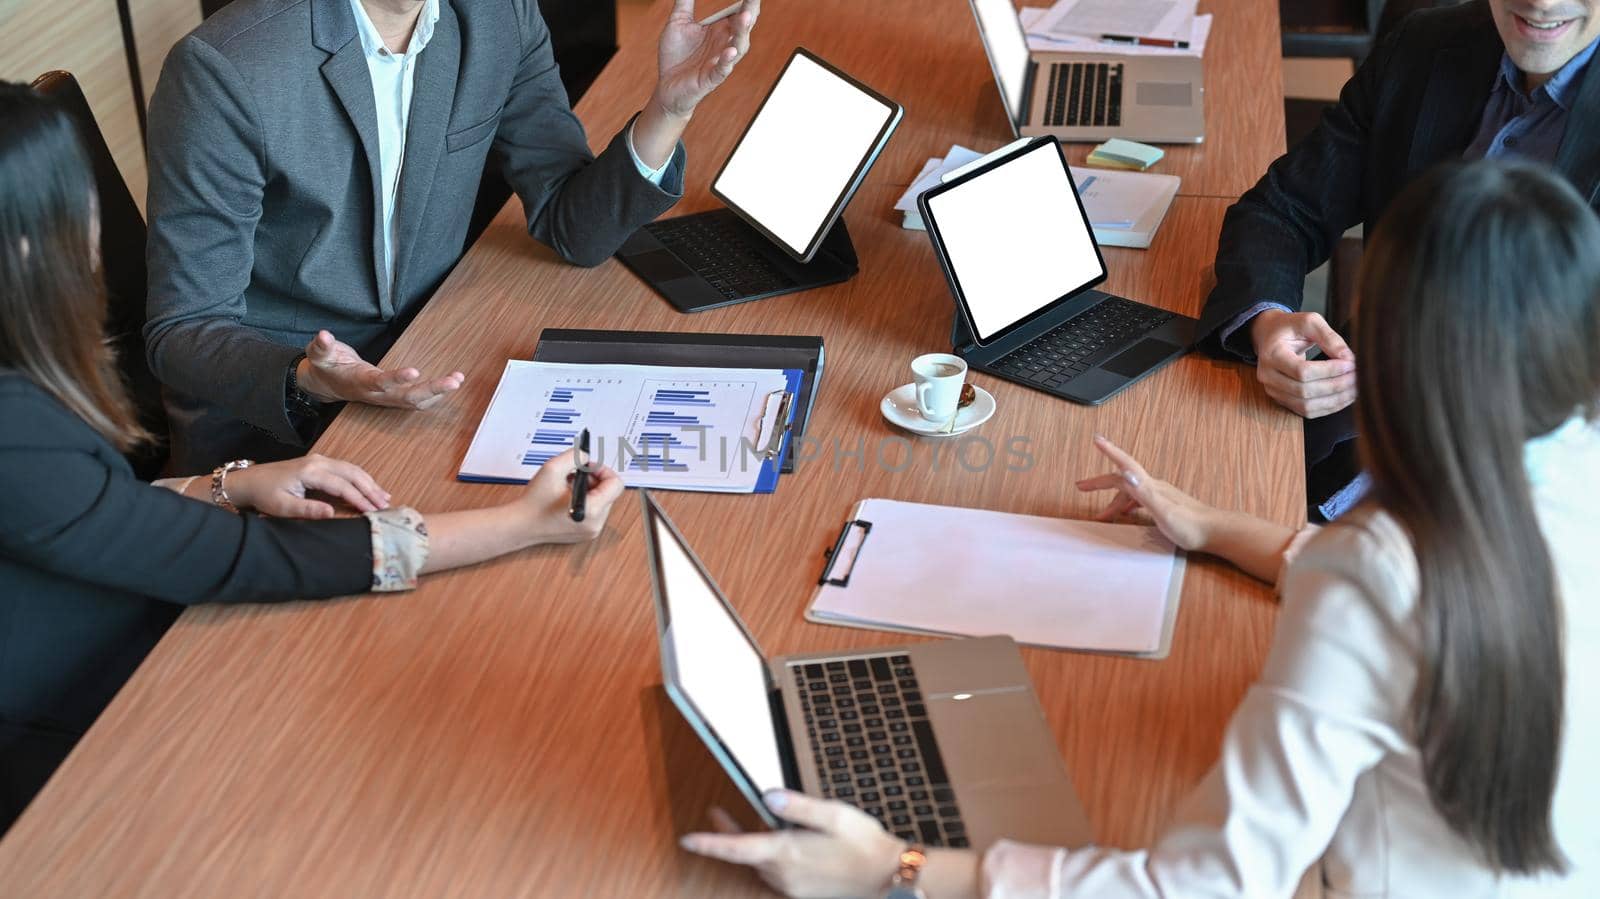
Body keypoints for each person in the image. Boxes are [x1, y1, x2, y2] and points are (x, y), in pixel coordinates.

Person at [677, 161, 1598, 896]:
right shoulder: (1569, 467)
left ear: (1389, 361)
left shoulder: (1372, 581)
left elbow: (1203, 886)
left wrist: (898, 870)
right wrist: (1211, 523)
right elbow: (1452, 581)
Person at [0, 83, 626, 829]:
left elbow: (91, 508)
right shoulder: (16, 429)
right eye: (77, 204)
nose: (96, 228)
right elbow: (256, 560)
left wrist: (229, 482)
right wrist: (519, 524)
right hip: (84, 734)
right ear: (28, 244)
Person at [141, 0, 760, 472]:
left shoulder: (498, 16)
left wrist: (671, 107)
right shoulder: (224, 68)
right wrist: (310, 378)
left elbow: (576, 229)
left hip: (429, 362)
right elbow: (184, 328)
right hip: (280, 423)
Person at [1196, 0, 1600, 519]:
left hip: (1510, 494)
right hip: (1344, 423)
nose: (1542, 1)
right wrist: (1266, 321)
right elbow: (1283, 208)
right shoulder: (1426, 44)